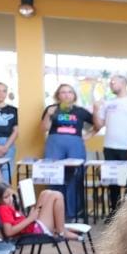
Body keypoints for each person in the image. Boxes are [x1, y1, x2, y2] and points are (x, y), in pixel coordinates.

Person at [41, 83, 95, 219]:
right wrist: (48, 115)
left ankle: (74, 212)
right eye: (63, 92)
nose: (66, 94)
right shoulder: (51, 109)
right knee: (54, 176)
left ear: (74, 95)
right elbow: (44, 128)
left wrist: (87, 136)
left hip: (75, 145)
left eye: (70, 92)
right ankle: (53, 211)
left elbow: (98, 124)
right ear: (58, 95)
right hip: (54, 145)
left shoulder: (80, 111)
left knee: (75, 177)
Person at [94, 75, 127, 213]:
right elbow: (99, 125)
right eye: (110, 82)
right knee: (113, 183)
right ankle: (114, 213)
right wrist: (95, 109)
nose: (111, 84)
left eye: (113, 82)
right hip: (110, 148)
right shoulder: (108, 103)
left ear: (123, 83)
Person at [0, 178, 81, 241]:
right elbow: (9, 232)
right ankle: (61, 231)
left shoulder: (6, 206)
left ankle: (59, 228)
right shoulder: (3, 209)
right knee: (57, 195)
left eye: (10, 195)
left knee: (45, 193)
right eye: (6, 197)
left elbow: (17, 220)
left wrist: (27, 215)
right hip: (36, 230)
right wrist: (30, 219)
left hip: (34, 226)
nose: (10, 199)